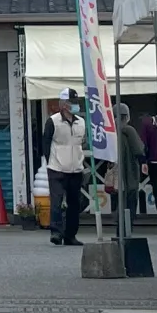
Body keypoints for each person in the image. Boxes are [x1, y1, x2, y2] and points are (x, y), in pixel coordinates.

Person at [42, 94, 90, 246]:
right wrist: (50, 160)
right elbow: (45, 143)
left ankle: (71, 235)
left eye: (76, 102)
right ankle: (56, 232)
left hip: (76, 168)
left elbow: (83, 142)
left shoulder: (81, 122)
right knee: (56, 201)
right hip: (57, 168)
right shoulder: (53, 121)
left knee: (74, 203)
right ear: (63, 104)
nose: (75, 105)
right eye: (72, 102)